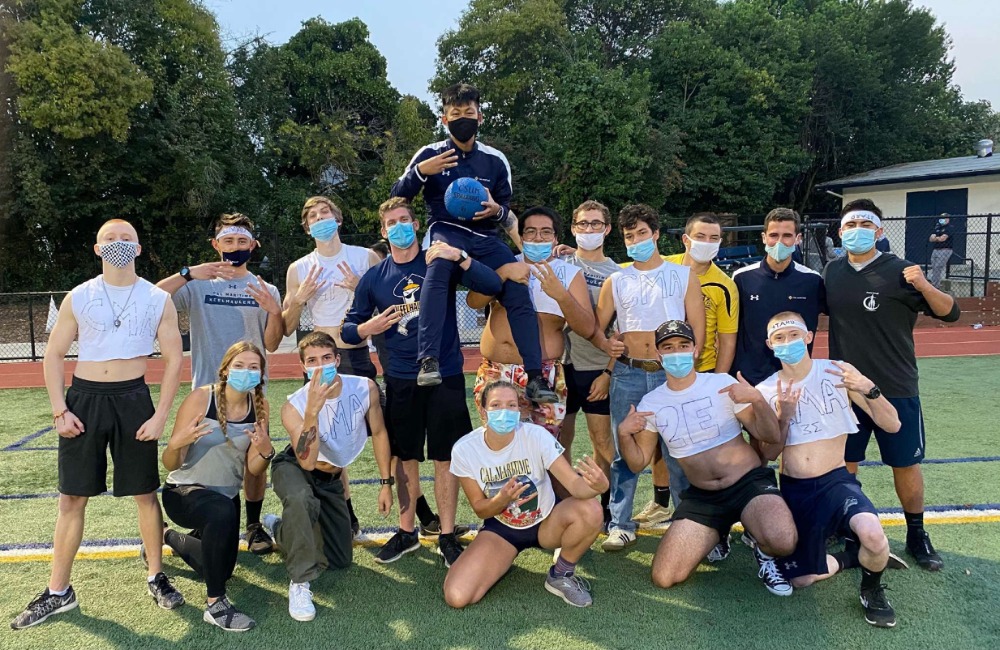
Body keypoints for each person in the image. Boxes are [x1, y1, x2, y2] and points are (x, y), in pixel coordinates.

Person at [12, 219, 185, 630]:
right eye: (111, 239)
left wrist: (160, 414)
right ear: (97, 248)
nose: (119, 244)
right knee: (72, 498)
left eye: (127, 239)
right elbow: (53, 355)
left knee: (145, 492)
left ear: (139, 249)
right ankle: (59, 590)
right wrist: (59, 409)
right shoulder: (81, 295)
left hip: (133, 399)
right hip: (84, 400)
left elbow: (174, 359)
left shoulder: (157, 298)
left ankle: (156, 576)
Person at [342, 197, 501, 567]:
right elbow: (348, 329)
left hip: (443, 373)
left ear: (415, 224)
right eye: (390, 223)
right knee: (405, 456)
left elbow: (489, 283)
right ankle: (407, 530)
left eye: (403, 220)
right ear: (382, 232)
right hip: (400, 377)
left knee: (446, 456)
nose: (397, 227)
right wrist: (368, 327)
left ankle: (447, 535)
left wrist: (460, 256)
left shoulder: (437, 259)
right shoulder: (374, 277)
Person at [390, 83, 554, 404]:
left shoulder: (495, 161)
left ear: (480, 116)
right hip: (445, 234)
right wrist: (422, 172)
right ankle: (428, 360)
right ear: (444, 118)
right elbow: (397, 198)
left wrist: (497, 210)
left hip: (485, 240)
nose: (462, 119)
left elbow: (507, 214)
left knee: (518, 285)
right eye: (455, 114)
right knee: (437, 268)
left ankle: (535, 377)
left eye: (469, 113)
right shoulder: (429, 154)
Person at [824, 199, 960, 571]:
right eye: (850, 225)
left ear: (879, 232)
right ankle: (847, 528)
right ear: (840, 231)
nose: (856, 231)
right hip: (848, 390)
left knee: (905, 464)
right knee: (845, 463)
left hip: (896, 386)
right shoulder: (832, 272)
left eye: (865, 225)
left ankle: (916, 533)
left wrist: (924, 283)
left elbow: (951, 312)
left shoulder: (902, 271)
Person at [616, 320, 796, 595]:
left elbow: (770, 436)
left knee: (783, 540)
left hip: (748, 484)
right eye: (669, 347)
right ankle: (717, 533)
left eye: (683, 345)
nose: (677, 352)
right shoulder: (651, 403)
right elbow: (637, 463)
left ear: (695, 350)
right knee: (665, 576)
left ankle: (764, 551)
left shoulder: (721, 384)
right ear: (658, 355)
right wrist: (623, 434)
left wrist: (757, 400)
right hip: (704, 496)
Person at [755, 312, 905, 628]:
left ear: (809, 336)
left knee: (874, 535)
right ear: (770, 345)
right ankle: (851, 556)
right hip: (796, 489)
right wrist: (783, 417)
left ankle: (872, 589)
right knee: (801, 579)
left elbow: (892, 423)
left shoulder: (838, 372)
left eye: (793, 335)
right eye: (779, 338)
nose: (788, 343)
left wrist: (869, 387)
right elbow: (765, 455)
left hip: (837, 481)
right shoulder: (766, 390)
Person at [157, 212, 283, 555]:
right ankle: (205, 517)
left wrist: (274, 311)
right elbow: (150, 299)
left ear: (253, 246)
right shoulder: (197, 286)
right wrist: (187, 273)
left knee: (254, 460)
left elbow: (271, 343)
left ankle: (254, 525)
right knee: (200, 456)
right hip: (206, 393)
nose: (235, 247)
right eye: (228, 240)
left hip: (253, 393)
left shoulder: (265, 288)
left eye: (243, 241)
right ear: (216, 244)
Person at [589, 204, 705, 551]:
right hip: (629, 373)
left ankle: (691, 522)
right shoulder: (617, 279)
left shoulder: (683, 275)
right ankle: (620, 523)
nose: (636, 240)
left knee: (679, 450)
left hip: (671, 374)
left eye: (641, 233)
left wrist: (688, 370)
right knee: (626, 449)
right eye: (628, 236)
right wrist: (606, 345)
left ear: (655, 234)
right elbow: (597, 325)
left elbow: (697, 327)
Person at [264, 331, 393, 622]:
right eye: (312, 360)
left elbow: (380, 433)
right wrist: (312, 411)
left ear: (337, 359)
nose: (320, 366)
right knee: (299, 498)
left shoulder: (364, 388)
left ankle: (283, 529)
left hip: (331, 480)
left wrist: (386, 483)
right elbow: (307, 463)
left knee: (340, 559)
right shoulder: (293, 406)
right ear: (303, 367)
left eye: (326, 358)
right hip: (295, 467)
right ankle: (299, 581)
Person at [443, 381, 608, 608]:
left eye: (511, 405)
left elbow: (574, 485)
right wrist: (502, 499)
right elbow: (480, 508)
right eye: (496, 405)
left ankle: (561, 574)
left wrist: (598, 487)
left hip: (547, 521)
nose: (505, 412)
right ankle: (500, 560)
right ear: (482, 410)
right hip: (502, 530)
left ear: (519, 410)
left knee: (590, 509)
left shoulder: (535, 435)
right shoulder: (465, 449)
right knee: (457, 596)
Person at [630, 212, 739, 531]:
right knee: (661, 440)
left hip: (701, 372)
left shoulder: (725, 284)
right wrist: (575, 257)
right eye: (700, 236)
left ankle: (707, 511)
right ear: (685, 239)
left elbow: (727, 339)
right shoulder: (665, 266)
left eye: (714, 238)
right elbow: (619, 271)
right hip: (664, 369)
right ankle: (661, 501)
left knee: (697, 447)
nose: (706, 243)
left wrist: (717, 382)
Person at [282, 195, 382, 537]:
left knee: (379, 432)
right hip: (321, 360)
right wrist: (298, 299)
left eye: (325, 212)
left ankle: (411, 510)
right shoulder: (298, 268)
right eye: (312, 215)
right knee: (326, 438)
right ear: (306, 226)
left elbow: (387, 302)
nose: (320, 218)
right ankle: (346, 512)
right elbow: (286, 323)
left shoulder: (364, 257)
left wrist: (361, 288)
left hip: (354, 354)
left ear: (338, 219)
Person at [161, 341, 276, 631]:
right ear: (225, 369)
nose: (246, 372)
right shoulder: (201, 399)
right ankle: (216, 605)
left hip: (223, 498)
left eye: (253, 367)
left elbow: (253, 469)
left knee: (221, 570)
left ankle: (165, 535)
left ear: (261, 374)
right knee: (221, 512)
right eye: (239, 365)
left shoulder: (260, 409)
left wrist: (265, 451)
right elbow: (170, 463)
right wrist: (176, 443)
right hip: (184, 492)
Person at [469, 206, 595, 439]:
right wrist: (503, 273)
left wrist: (561, 295)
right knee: (497, 448)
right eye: (531, 231)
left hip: (543, 376)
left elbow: (587, 328)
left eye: (546, 232)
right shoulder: (504, 263)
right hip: (494, 371)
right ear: (522, 235)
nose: (538, 237)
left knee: (542, 450)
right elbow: (473, 301)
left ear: (556, 237)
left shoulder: (569, 273)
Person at [557, 200, 620, 527]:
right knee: (559, 442)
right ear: (573, 228)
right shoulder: (560, 262)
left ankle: (608, 506)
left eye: (596, 224)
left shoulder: (618, 274)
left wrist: (608, 372)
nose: (589, 230)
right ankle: (562, 503)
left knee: (602, 443)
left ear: (607, 229)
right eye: (583, 224)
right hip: (561, 368)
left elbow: (621, 332)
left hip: (597, 370)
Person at [732, 207, 826, 387]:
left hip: (797, 379)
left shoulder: (812, 280)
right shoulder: (742, 278)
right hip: (751, 378)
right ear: (764, 238)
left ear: (798, 239)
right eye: (774, 235)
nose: (779, 242)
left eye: (787, 236)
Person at [928, 213, 953, 288]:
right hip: (936, 249)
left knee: (938, 266)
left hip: (945, 249)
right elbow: (931, 238)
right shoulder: (937, 227)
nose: (942, 220)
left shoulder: (949, 228)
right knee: (934, 266)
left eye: (944, 218)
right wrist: (937, 238)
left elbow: (943, 238)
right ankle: (935, 282)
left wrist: (936, 238)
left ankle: (935, 285)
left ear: (948, 219)